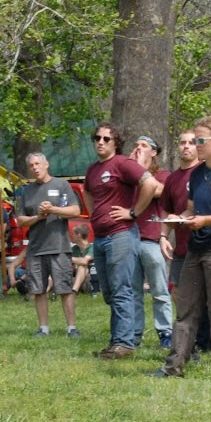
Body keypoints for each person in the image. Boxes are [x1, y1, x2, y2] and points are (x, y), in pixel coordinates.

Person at [154, 117, 211, 377]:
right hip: (196, 249)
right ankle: (173, 367)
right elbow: (192, 208)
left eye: (201, 140)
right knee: (185, 310)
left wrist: (206, 220)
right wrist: (179, 218)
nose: (196, 145)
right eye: (194, 140)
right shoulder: (197, 174)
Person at [84, 122, 159, 359]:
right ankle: (117, 340)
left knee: (121, 289)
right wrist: (95, 213)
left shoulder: (123, 164)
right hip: (101, 237)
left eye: (106, 139)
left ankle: (124, 343)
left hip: (122, 235)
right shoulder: (93, 169)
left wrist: (133, 212)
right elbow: (87, 191)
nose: (100, 142)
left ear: (116, 143)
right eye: (97, 138)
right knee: (108, 291)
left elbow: (149, 183)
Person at [17, 152, 81, 337]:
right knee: (38, 290)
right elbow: (20, 220)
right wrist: (38, 216)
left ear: (46, 164)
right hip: (36, 248)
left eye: (38, 164)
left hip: (59, 246)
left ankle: (71, 328)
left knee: (65, 288)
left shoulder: (62, 185)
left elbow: (76, 210)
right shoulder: (27, 191)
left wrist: (53, 209)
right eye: (31, 165)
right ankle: (43, 328)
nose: (35, 168)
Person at [128, 135, 174, 349]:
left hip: (152, 239)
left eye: (144, 146)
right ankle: (135, 333)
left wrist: (139, 169)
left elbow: (157, 190)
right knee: (133, 290)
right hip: (129, 238)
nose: (139, 149)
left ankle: (165, 332)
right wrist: (132, 169)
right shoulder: (129, 175)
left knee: (159, 289)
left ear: (154, 152)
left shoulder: (163, 175)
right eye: (136, 145)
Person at [71, 224, 93, 294]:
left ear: (79, 235)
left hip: (89, 277)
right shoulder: (74, 249)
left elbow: (84, 261)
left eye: (73, 234)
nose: (71, 236)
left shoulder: (92, 247)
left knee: (82, 266)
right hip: (74, 274)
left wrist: (68, 258)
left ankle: (74, 291)